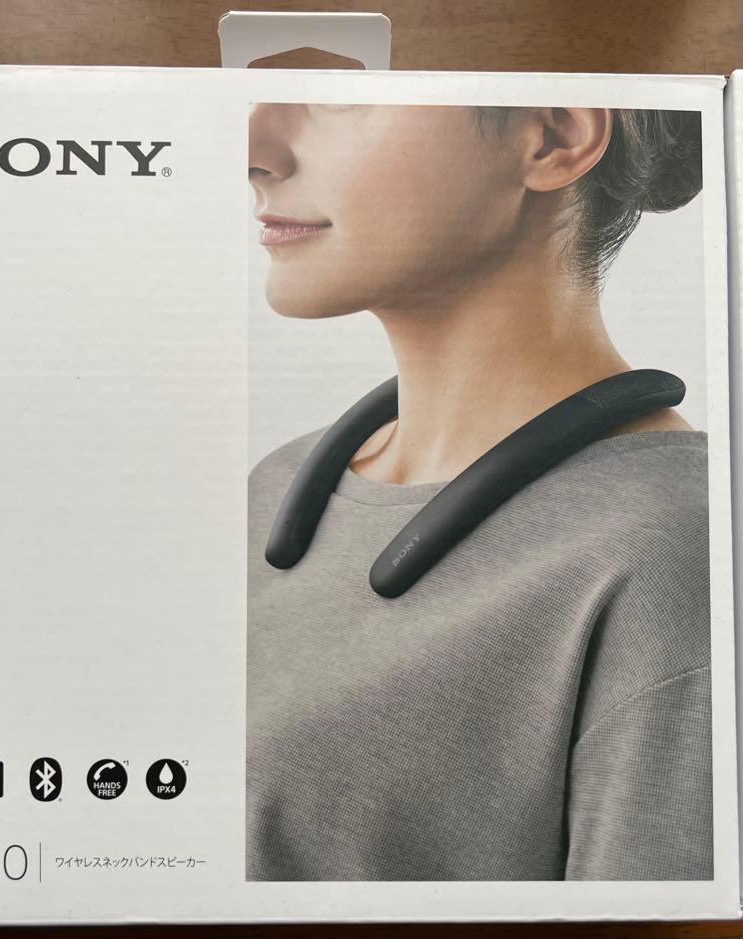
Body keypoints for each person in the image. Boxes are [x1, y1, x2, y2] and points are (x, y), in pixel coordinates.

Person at [245, 103, 711, 881]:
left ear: (554, 137)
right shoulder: (272, 489)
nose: (254, 150)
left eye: (338, 101)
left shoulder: (677, 555)